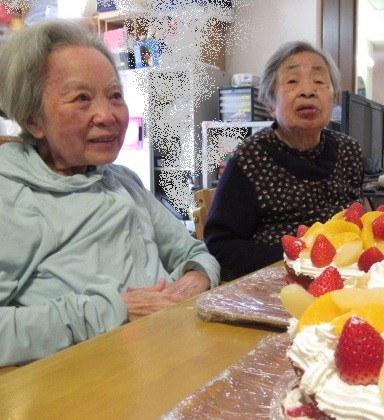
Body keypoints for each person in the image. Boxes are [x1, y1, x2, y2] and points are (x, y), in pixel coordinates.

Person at [0, 19, 220, 366]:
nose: (107, 115)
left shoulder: (122, 180)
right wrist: (115, 309)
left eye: (115, 95)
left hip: (172, 351)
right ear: (33, 120)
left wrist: (191, 282)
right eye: (81, 98)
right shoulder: (11, 197)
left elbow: (194, 252)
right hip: (93, 377)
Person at [204, 41, 364, 280]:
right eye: (292, 81)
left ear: (334, 97)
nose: (308, 91)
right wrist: (300, 261)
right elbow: (221, 245)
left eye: (319, 81)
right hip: (278, 282)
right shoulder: (250, 159)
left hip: (346, 278)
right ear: (270, 104)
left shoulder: (349, 151)